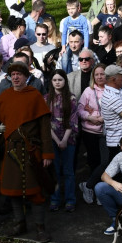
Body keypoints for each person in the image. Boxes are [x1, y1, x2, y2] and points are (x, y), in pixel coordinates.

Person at [0, 61, 54, 242]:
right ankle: (20, 223)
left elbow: (44, 127)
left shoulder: (34, 96)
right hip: (10, 151)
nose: (16, 77)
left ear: (26, 76)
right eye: (13, 74)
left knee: (35, 192)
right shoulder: (5, 95)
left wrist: (47, 153)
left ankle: (40, 228)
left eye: (19, 74)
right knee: (13, 191)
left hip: (31, 151)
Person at [46, 70, 79, 213]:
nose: (57, 82)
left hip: (68, 138)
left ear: (65, 81)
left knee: (68, 171)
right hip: (52, 138)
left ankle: (70, 200)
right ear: (51, 82)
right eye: (55, 80)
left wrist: (64, 139)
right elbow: (46, 122)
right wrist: (56, 139)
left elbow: (73, 120)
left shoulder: (71, 98)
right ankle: (55, 199)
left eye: (60, 79)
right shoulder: (46, 98)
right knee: (55, 171)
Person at [76, 64, 107, 203]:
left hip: (106, 132)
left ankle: (99, 189)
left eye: (102, 74)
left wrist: (103, 118)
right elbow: (80, 109)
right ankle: (91, 188)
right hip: (90, 131)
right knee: (93, 161)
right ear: (93, 76)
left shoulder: (111, 90)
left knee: (104, 162)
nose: (99, 77)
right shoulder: (88, 91)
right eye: (97, 74)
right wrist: (90, 117)